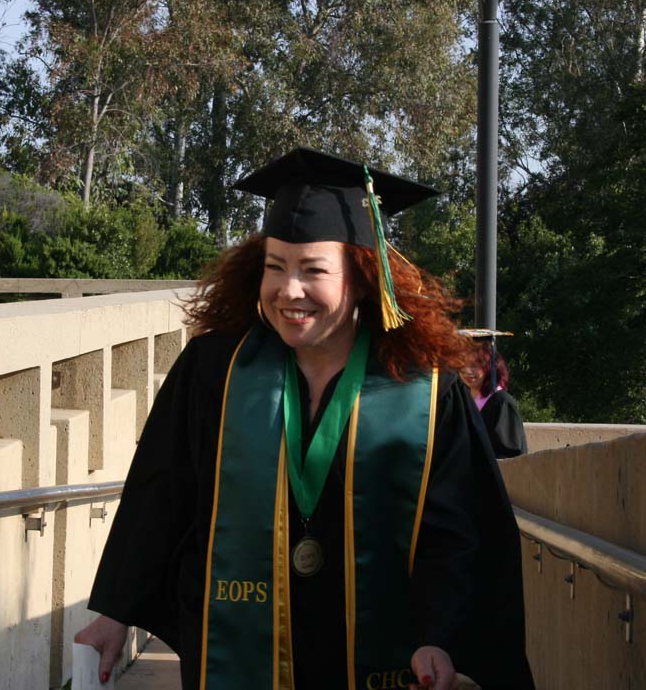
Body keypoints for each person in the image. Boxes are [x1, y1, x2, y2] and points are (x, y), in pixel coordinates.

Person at [76, 147, 533, 690]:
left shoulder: (425, 392)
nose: (288, 290)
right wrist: (115, 611)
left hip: (385, 657)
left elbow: (458, 533)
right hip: (243, 651)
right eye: (275, 267)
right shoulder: (216, 371)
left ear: (362, 278)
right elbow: (161, 491)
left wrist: (441, 637)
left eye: (312, 270)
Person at [460, 341, 528, 458]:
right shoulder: (466, 402)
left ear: (490, 368)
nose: (468, 371)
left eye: (475, 365)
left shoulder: (501, 403)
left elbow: (508, 456)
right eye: (463, 364)